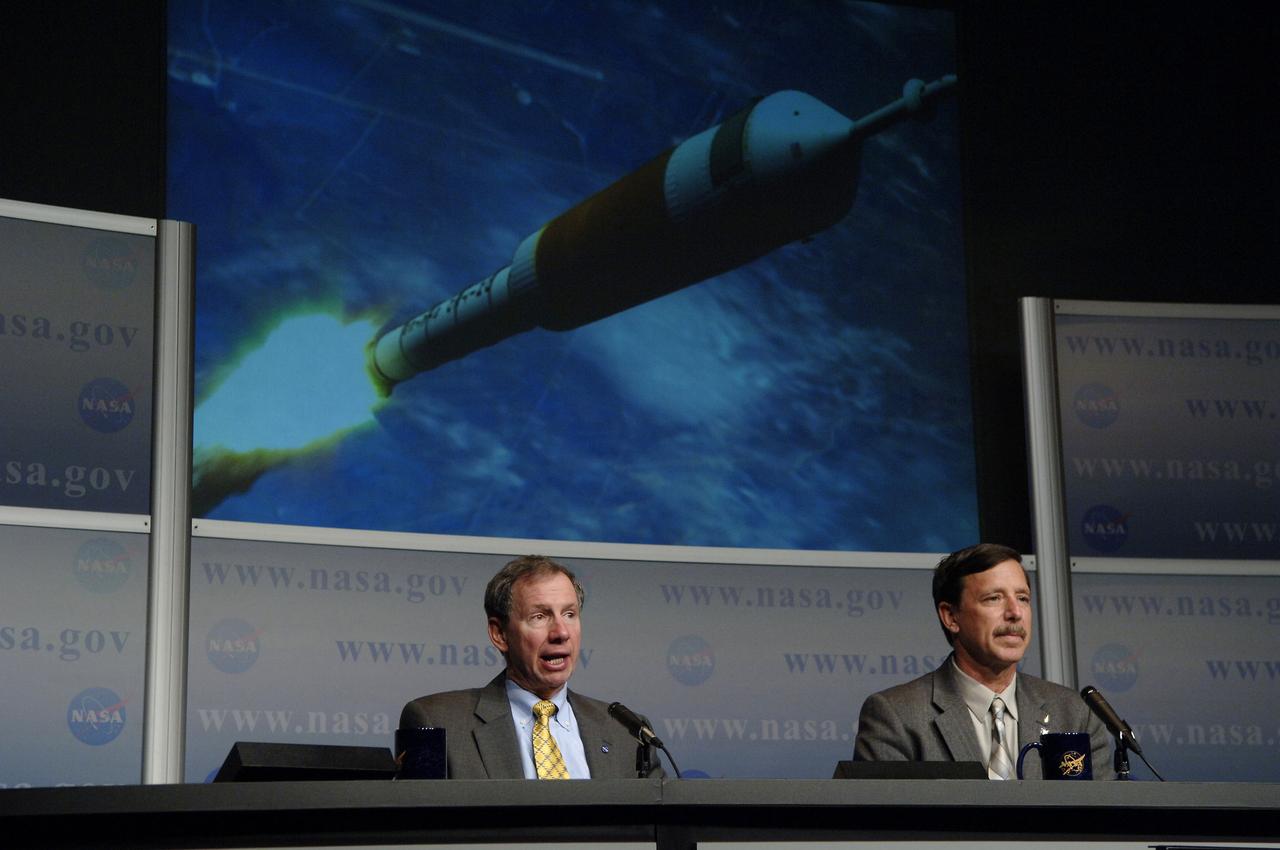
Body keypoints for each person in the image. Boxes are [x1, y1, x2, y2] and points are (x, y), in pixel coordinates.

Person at [853, 543, 1112, 779]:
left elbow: (1101, 813)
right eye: (994, 598)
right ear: (950, 616)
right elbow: (888, 815)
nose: (1015, 613)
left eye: (1022, 598)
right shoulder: (897, 716)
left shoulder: (1075, 714)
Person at [400, 555, 662, 778]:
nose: (561, 632)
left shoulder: (628, 733)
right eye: (540, 616)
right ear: (500, 634)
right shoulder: (438, 723)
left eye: (569, 614)